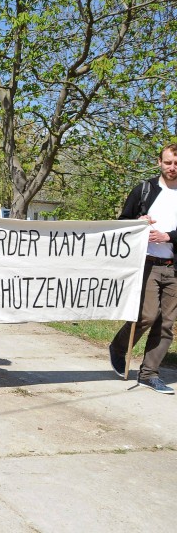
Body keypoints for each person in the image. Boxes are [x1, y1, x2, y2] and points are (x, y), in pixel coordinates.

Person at [108, 144, 177, 394]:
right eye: (168, 162)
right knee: (146, 316)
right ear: (159, 161)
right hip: (147, 264)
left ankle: (149, 374)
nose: (172, 168)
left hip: (173, 268)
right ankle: (118, 347)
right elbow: (122, 222)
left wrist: (169, 236)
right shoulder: (145, 190)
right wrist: (137, 223)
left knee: (166, 324)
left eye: (176, 164)